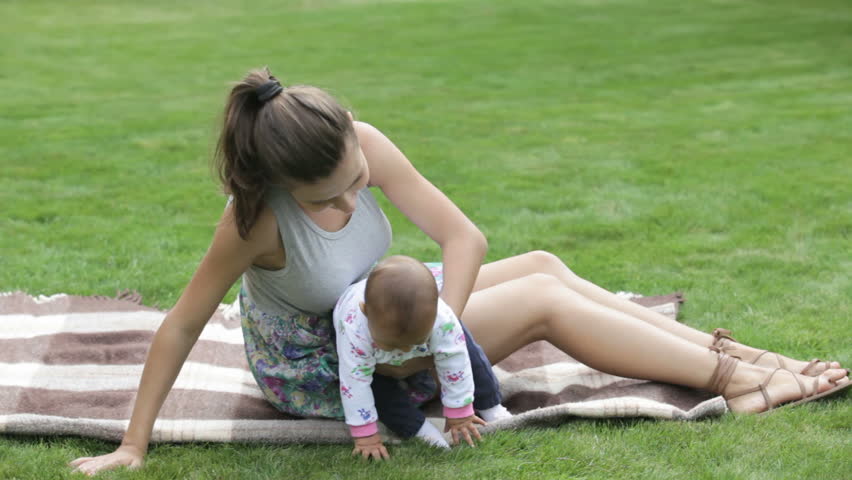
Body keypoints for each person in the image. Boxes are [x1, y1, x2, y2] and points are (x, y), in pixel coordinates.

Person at [70, 67, 849, 475]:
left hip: (389, 311)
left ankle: (752, 359)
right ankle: (735, 384)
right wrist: (134, 445)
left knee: (542, 264)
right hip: (331, 361)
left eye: (356, 179)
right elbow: (182, 324)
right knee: (542, 300)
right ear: (281, 185)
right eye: (328, 197)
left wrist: (440, 323)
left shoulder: (364, 141)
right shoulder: (253, 220)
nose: (352, 197)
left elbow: (462, 238)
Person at [335, 255, 512, 458]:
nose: (403, 352)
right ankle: (419, 430)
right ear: (365, 312)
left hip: (431, 329)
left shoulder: (442, 319)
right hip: (369, 358)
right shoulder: (353, 330)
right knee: (379, 391)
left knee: (466, 351)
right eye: (391, 345)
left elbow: (455, 361)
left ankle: (491, 405)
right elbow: (354, 384)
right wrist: (365, 436)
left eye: (415, 342)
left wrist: (459, 411)